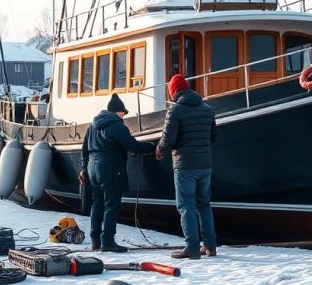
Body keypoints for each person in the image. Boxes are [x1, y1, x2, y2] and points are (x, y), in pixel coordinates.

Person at [80, 93, 155, 252]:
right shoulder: (117, 126)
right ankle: (107, 241)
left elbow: (84, 150)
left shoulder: (91, 126)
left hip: (92, 169)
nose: (123, 115)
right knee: (111, 206)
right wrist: (153, 147)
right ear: (116, 112)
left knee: (97, 205)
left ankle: (95, 241)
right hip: (110, 168)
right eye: (122, 112)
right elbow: (133, 146)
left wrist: (83, 168)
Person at [156, 74, 218, 260]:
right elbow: (214, 136)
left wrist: (160, 148)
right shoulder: (207, 109)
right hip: (205, 165)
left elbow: (169, 138)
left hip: (185, 165)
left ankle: (191, 247)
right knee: (204, 204)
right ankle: (210, 246)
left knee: (186, 206)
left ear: (174, 91)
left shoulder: (176, 110)